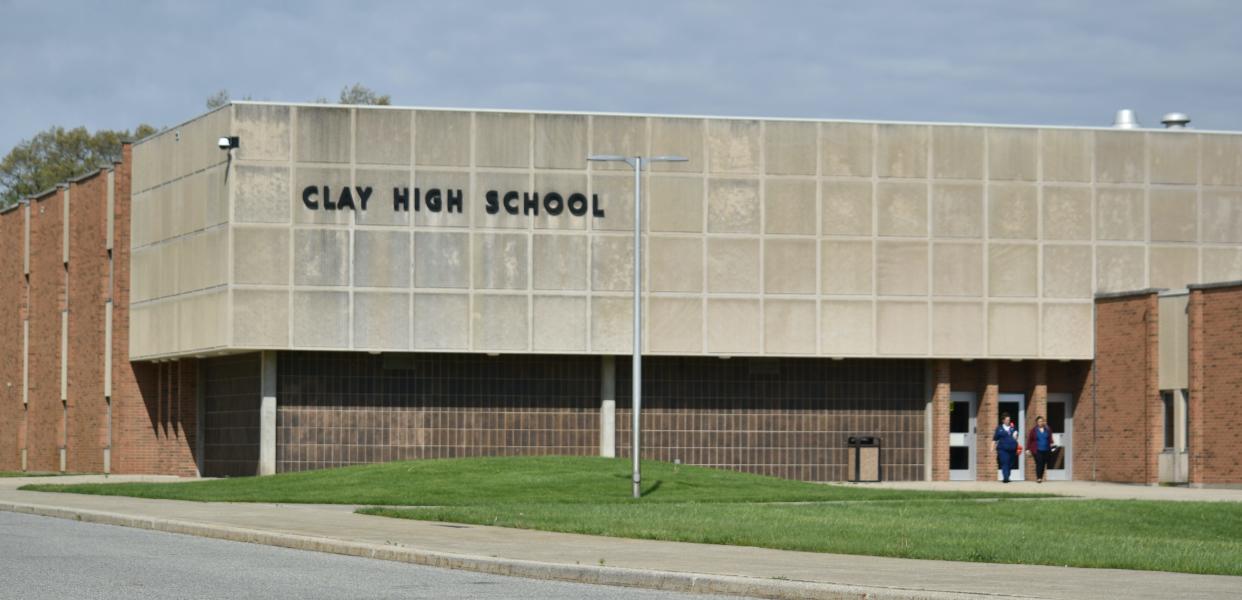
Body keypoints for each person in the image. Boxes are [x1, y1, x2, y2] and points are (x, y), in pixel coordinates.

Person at [993, 412, 1019, 483]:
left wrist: (1016, 435)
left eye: (1009, 420)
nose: (1008, 421)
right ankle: (1006, 477)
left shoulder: (1013, 427)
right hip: (1002, 449)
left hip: (1012, 449)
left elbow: (1016, 435)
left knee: (1010, 463)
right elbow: (995, 438)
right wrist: (992, 447)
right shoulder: (999, 428)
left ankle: (1007, 475)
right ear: (1003, 420)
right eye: (1007, 420)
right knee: (1005, 462)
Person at [1027, 416, 1054, 483]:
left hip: (1046, 449)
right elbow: (1029, 440)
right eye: (1039, 421)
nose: (1040, 423)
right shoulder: (1033, 430)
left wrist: (1051, 443)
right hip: (1037, 450)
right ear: (1037, 422)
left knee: (1043, 463)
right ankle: (1038, 478)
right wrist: (1028, 449)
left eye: (1041, 421)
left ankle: (1040, 477)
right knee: (1039, 463)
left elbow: (1050, 438)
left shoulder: (1047, 429)